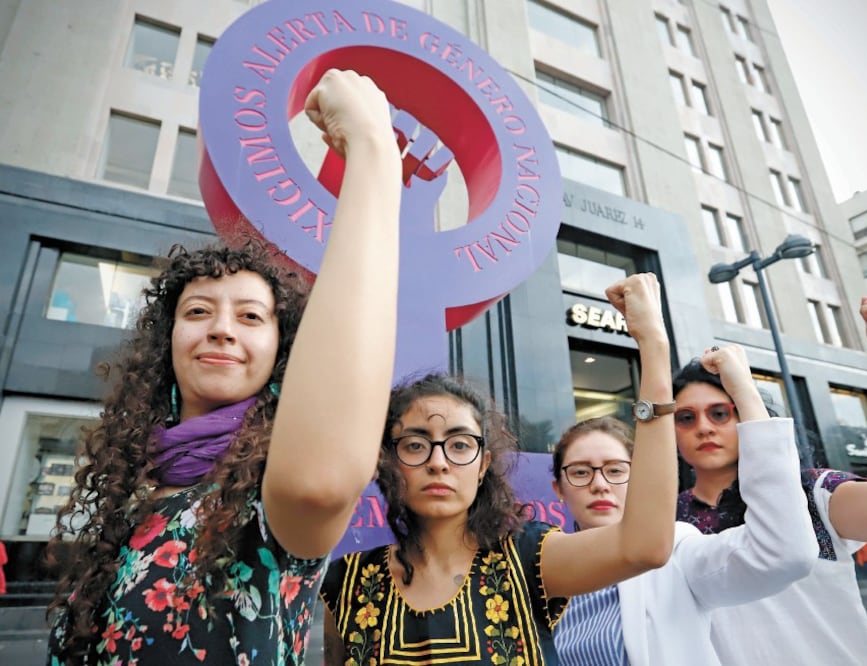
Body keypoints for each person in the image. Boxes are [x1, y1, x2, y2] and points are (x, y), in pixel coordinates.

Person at [45, 69, 403, 665]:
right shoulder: (127, 494)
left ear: (283, 354)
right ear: (167, 342)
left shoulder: (274, 495)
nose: (221, 328)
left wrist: (371, 145)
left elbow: (322, 478)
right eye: (200, 310)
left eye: (251, 317)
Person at [320, 273, 678, 665]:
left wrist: (654, 348)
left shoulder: (530, 559)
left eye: (459, 445)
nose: (438, 462)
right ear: (388, 460)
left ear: (483, 464)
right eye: (416, 445)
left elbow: (647, 547)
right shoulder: (348, 583)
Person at [677, 296, 867, 666]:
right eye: (686, 418)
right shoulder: (667, 520)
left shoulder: (812, 493)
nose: (703, 427)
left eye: (720, 413)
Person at [551, 344, 817, 666]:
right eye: (580, 472)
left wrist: (743, 391)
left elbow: (783, 553)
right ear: (558, 488)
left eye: (616, 470)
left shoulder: (676, 550)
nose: (600, 484)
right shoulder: (534, 565)